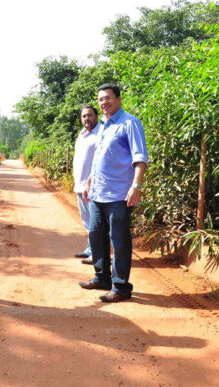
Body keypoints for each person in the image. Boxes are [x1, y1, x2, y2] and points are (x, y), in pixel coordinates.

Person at [80, 83, 148, 303]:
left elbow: (140, 158)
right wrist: (89, 182)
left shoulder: (130, 123)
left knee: (119, 241)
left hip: (119, 194)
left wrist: (136, 187)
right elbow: (98, 159)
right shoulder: (103, 125)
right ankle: (102, 277)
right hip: (98, 193)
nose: (104, 102)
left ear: (118, 99)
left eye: (108, 98)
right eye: (100, 99)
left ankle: (120, 286)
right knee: (96, 235)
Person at [72, 105, 99, 265]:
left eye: (89, 115)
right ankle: (90, 249)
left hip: (93, 187)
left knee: (96, 224)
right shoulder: (81, 135)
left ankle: (98, 254)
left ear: (96, 116)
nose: (86, 119)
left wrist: (90, 182)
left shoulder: (100, 135)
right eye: (84, 116)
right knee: (87, 221)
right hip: (79, 185)